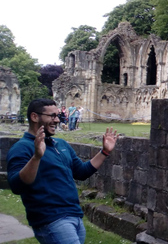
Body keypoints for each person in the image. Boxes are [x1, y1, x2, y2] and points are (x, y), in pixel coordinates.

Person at [7, 98, 119, 244]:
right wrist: (36, 157)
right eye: (52, 116)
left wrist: (104, 152)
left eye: (58, 115)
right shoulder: (22, 148)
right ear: (35, 117)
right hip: (52, 220)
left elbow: (81, 172)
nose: (57, 120)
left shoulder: (61, 144)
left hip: (75, 216)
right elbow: (17, 185)